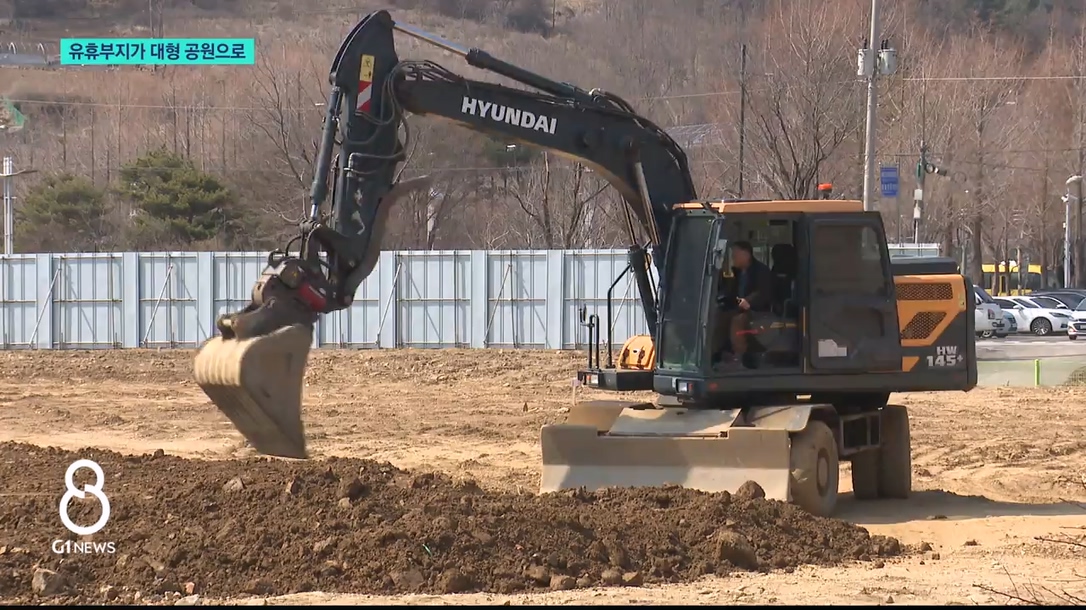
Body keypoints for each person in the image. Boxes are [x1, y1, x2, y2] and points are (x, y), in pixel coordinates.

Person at [714, 241, 774, 361]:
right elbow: (732, 293)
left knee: (738, 321)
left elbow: (763, 293)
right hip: (739, 308)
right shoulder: (739, 272)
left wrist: (748, 301)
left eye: (735, 255)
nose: (733, 258)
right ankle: (716, 353)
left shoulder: (761, 271)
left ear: (746, 254)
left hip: (758, 311)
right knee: (717, 316)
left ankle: (739, 357)